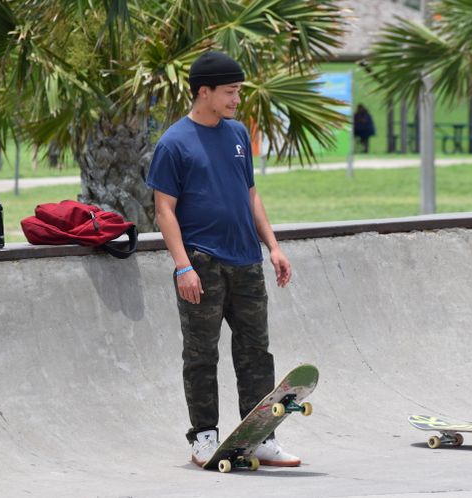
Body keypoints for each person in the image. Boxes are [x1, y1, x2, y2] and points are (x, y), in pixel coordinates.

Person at [146, 51, 297, 467]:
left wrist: (274, 246)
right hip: (202, 263)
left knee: (255, 351)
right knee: (201, 354)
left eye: (238, 92)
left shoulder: (235, 134)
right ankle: (205, 437)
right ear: (204, 92)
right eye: (230, 92)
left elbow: (250, 194)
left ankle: (260, 436)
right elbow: (164, 210)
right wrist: (183, 265)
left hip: (246, 260)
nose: (236, 99)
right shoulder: (174, 143)